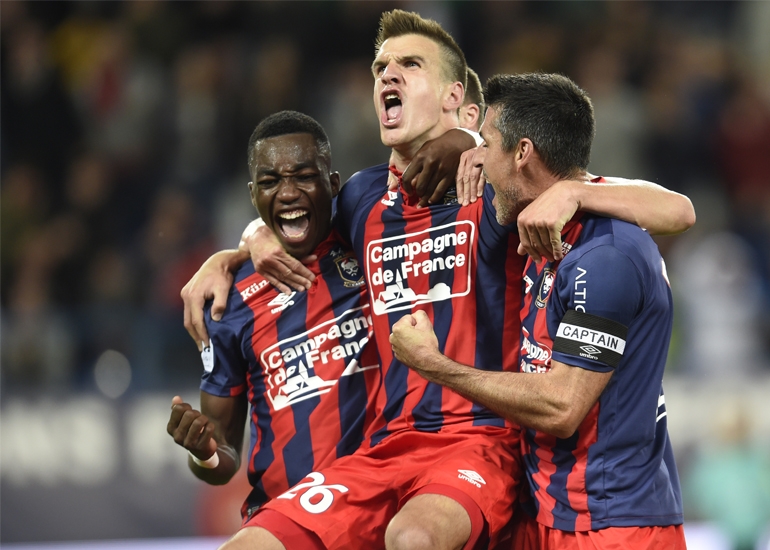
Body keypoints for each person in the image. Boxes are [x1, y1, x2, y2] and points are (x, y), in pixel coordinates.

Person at [187, 10, 695, 550]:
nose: (388, 75)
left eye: (410, 64)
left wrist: (573, 191)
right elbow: (293, 212)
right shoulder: (360, 199)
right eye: (380, 65)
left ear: (455, 96)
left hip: (479, 438)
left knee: (414, 538)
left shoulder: (495, 186)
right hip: (384, 446)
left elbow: (674, 210)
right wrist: (240, 247)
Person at [389, 73, 687, 550]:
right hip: (554, 515)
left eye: (487, 144)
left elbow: (562, 406)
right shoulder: (545, 223)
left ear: (523, 152)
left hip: (613, 527)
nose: (477, 158)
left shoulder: (605, 255)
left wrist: (432, 364)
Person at [166, 110, 381, 522]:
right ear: (253, 195)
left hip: (377, 503)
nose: (287, 192)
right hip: (284, 517)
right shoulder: (227, 303)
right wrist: (203, 452)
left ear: (332, 184)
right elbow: (222, 453)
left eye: (303, 176)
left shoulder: (368, 244)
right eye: (270, 182)